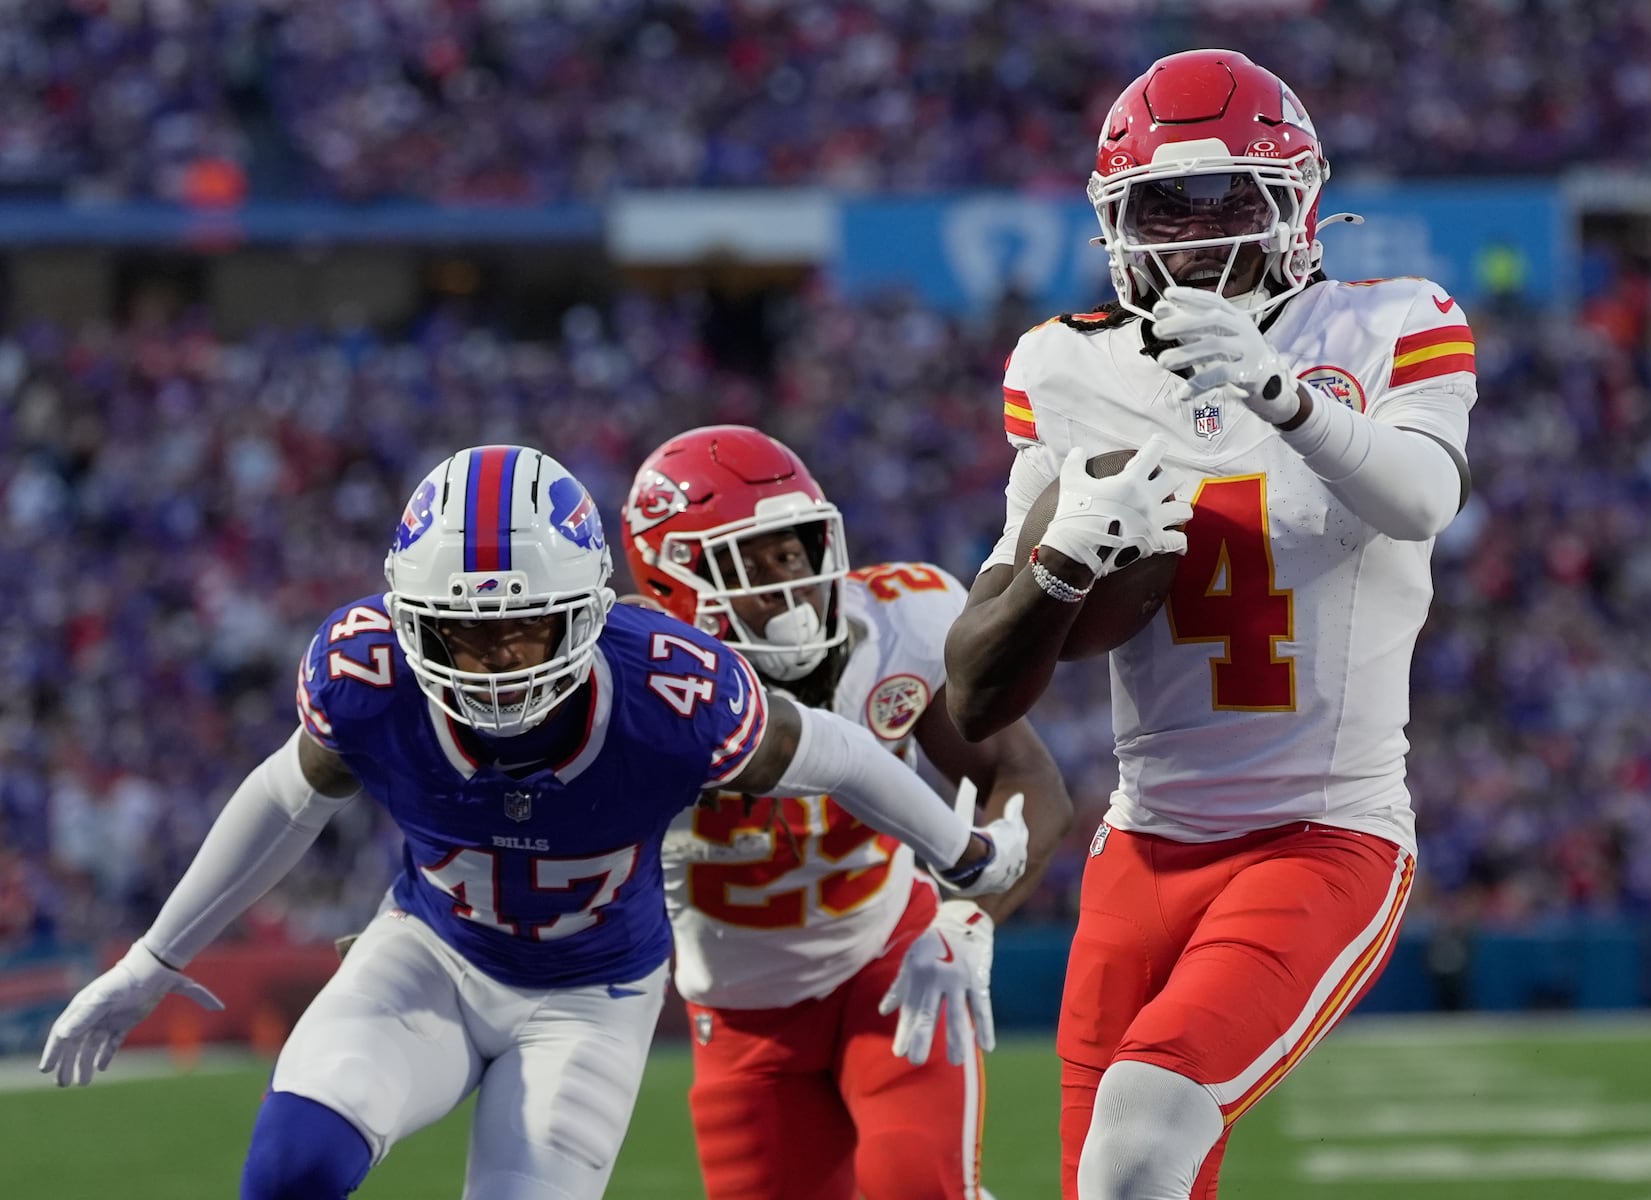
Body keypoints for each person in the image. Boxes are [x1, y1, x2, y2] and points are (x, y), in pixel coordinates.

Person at [38, 445, 1030, 1200]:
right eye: (464, 633)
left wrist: (966, 858)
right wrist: (153, 960)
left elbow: (843, 754)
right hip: (431, 954)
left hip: (592, 1001)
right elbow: (286, 796)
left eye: (524, 625)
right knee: (292, 1165)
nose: (497, 660)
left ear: (589, 610)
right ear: (410, 621)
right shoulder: (367, 674)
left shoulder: (667, 690)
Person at [942, 49, 1476, 1199]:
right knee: (1118, 1179)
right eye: (1161, 206)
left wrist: (1285, 395)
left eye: (1230, 195)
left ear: (1298, 200)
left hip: (1321, 835)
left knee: (1140, 1137)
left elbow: (1425, 498)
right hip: (1142, 844)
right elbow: (977, 685)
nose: (1196, 231)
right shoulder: (1066, 362)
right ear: (1114, 220)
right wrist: (1061, 562)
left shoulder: (1390, 322)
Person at [620, 425, 1073, 1200]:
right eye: (748, 565)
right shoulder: (631, 678)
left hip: (890, 967)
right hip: (741, 1021)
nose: (788, 587)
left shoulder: (898, 625)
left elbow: (1031, 781)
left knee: (917, 1187)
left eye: (791, 554)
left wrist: (970, 919)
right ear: (677, 583)